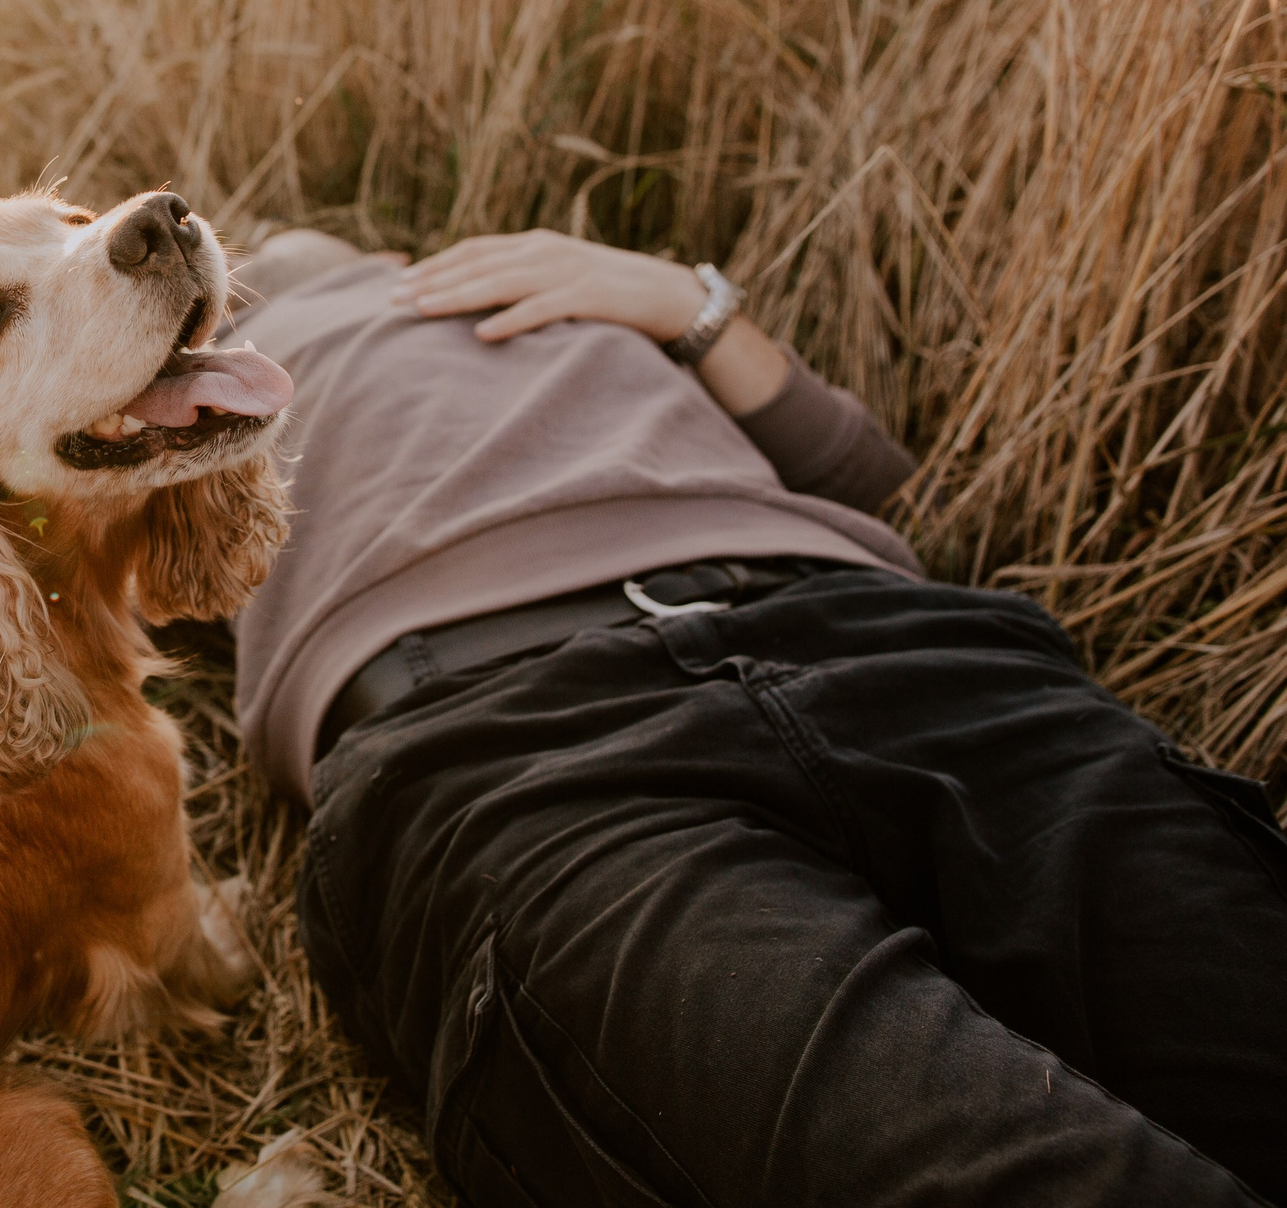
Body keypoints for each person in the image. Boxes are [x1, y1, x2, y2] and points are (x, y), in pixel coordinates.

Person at [222, 226, 1287, 1208]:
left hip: (887, 642)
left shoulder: (542, 285)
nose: (269, 251)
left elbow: (880, 486)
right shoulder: (216, 389)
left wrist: (688, 307)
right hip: (516, 734)